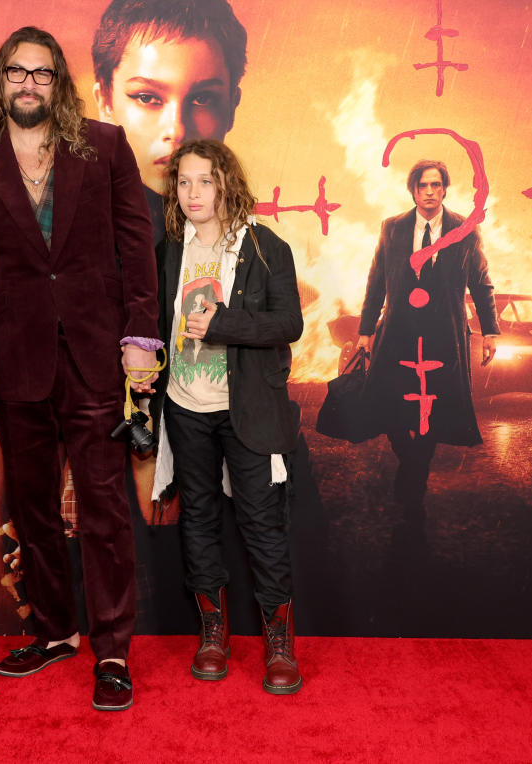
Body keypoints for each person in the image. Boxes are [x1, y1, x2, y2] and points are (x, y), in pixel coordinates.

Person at [0, 26, 159, 711]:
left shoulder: (103, 147)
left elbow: (138, 252)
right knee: (33, 507)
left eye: (42, 73)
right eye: (18, 72)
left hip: (97, 356)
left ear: (59, 82)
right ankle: (55, 630)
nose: (30, 84)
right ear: (0, 80)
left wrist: (141, 341)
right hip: (16, 360)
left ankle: (115, 649)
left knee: (102, 507)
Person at [148, 139, 305, 694]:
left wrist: (222, 324)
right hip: (186, 410)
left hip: (249, 411)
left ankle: (279, 643)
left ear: (226, 184)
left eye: (205, 181)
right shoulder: (170, 249)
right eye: (184, 182)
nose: (193, 193)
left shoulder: (265, 248)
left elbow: (288, 324)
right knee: (198, 521)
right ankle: (212, 632)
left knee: (262, 526)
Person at [355, 159, 499, 561]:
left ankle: (413, 482)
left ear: (445, 189)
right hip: (398, 334)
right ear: (413, 190)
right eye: (423, 185)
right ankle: (413, 465)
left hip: (443, 337)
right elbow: (377, 279)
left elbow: (481, 283)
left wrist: (490, 330)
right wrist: (366, 330)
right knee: (392, 409)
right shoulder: (393, 228)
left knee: (434, 413)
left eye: (436, 185)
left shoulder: (464, 230)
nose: (430, 192)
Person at [91, 0, 247, 245]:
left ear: (232, 108)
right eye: (147, 98)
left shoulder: (260, 260)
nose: (176, 129)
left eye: (202, 100)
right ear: (105, 101)